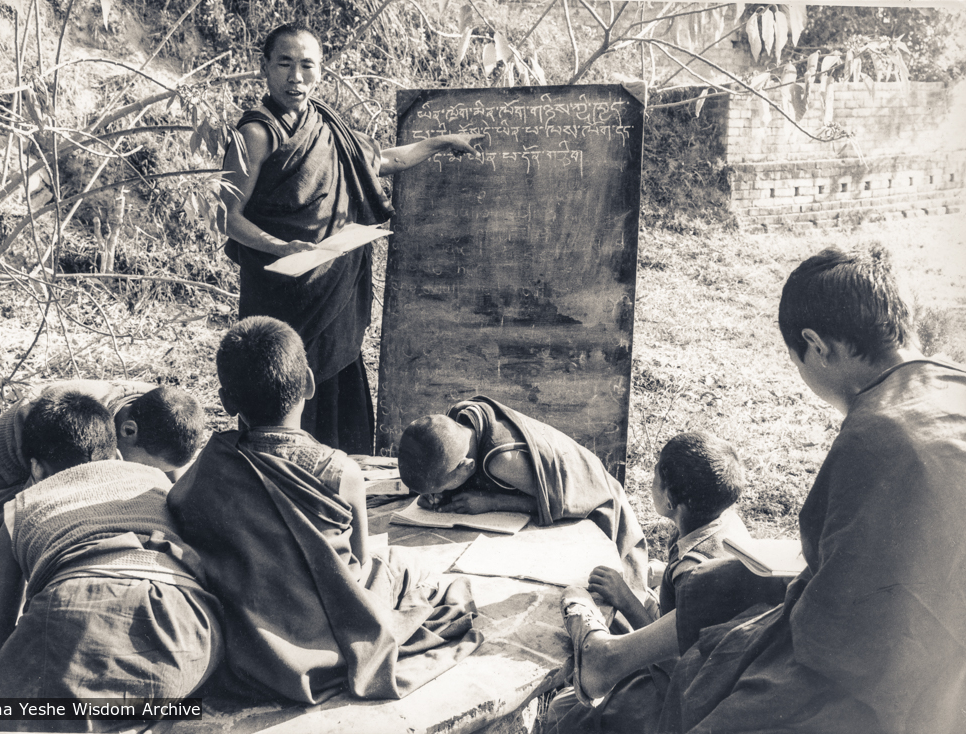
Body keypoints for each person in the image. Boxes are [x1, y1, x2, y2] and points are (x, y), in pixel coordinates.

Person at [550, 245, 966, 734]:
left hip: (913, 674)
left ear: (816, 345)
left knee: (714, 684)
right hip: (919, 618)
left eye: (798, 360)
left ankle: (612, 662)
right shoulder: (949, 384)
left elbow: (844, 633)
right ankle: (611, 658)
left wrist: (753, 641)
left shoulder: (880, 432)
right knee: (735, 578)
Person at [167, 317, 482, 705]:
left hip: (251, 638)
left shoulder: (214, 464)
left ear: (227, 401)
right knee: (408, 568)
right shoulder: (340, 471)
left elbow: (181, 508)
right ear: (311, 383)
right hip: (332, 626)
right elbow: (361, 565)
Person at [221, 22, 482, 455]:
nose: (296, 77)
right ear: (264, 67)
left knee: (336, 387)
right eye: (284, 63)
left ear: (321, 71)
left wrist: (440, 142)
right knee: (279, 379)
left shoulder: (328, 127)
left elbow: (384, 160)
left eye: (307, 65)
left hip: (333, 291)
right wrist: (279, 246)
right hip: (281, 291)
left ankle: (342, 476)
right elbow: (228, 217)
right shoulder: (255, 133)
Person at [0, 392, 222, 725]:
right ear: (114, 448)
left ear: (35, 467)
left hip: (78, 608)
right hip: (191, 633)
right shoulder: (157, 482)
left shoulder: (21, 507)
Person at [545, 431, 753, 734]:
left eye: (655, 476)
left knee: (563, 714)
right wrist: (662, 571)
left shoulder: (692, 573)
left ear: (669, 500)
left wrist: (626, 598)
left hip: (673, 694)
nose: (650, 482)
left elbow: (674, 657)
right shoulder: (723, 522)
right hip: (714, 670)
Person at [398, 395, 649, 598]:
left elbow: (553, 503)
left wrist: (491, 503)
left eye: (441, 488)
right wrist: (441, 492)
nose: (440, 494)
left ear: (466, 466)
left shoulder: (502, 461)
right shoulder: (460, 421)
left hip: (599, 504)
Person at [0, 380, 206, 539]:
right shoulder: (77, 428)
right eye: (148, 468)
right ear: (128, 430)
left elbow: (177, 493)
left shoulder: (166, 415)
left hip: (72, 449)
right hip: (16, 441)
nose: (149, 475)